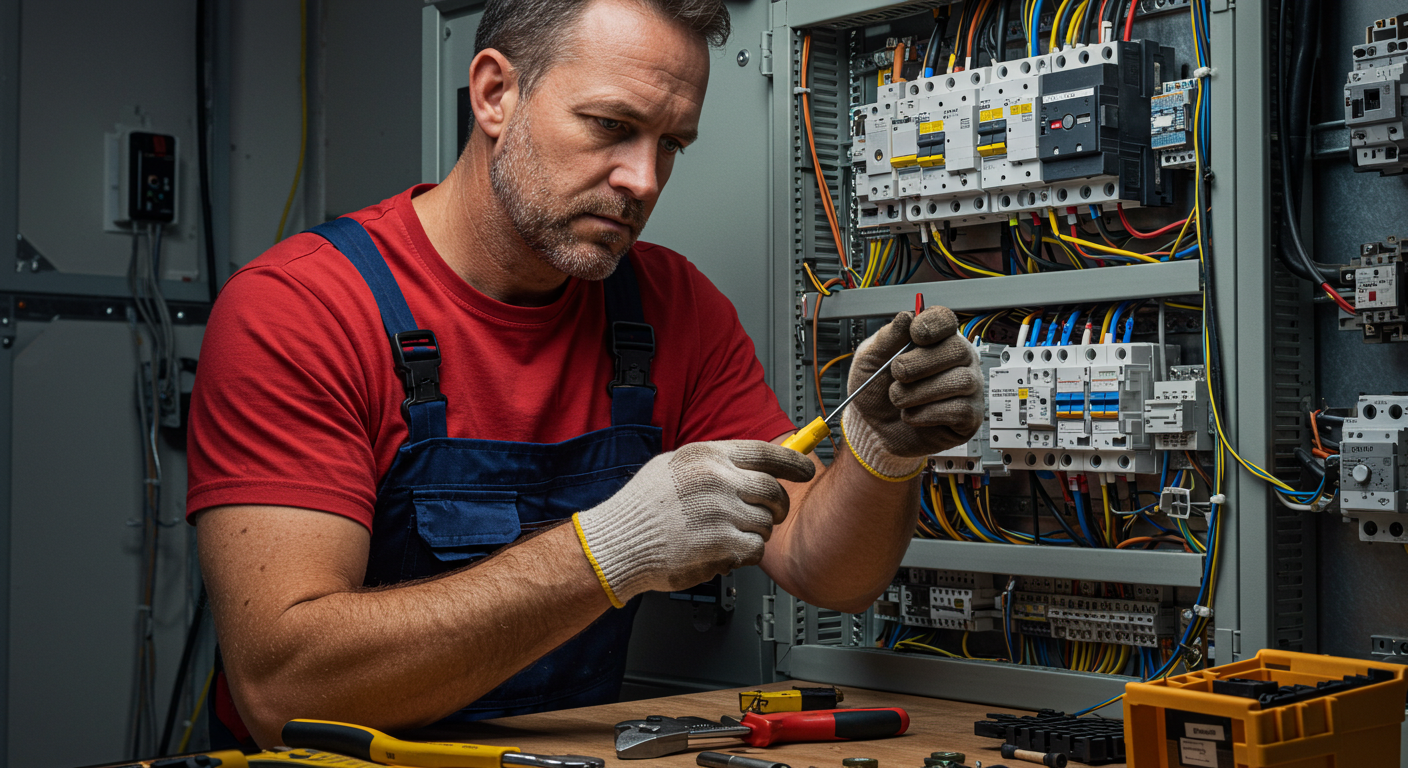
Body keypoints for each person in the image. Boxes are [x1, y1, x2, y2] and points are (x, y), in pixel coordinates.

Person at [187, 0, 984, 749]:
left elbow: (820, 563)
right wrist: (611, 550)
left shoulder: (673, 306)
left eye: (671, 143)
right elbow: (281, 690)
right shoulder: (300, 310)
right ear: (495, 93)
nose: (644, 180)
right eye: (611, 125)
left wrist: (883, 452)